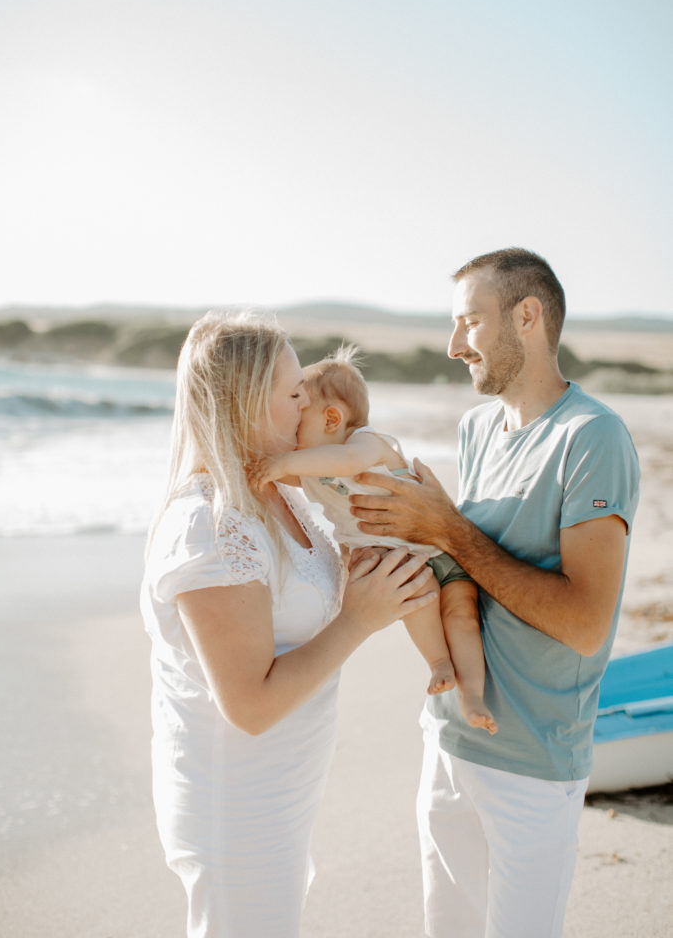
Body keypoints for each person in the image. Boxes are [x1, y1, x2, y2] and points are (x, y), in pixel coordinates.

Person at [348, 248, 640, 938]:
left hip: (533, 766)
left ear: (527, 316)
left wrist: (448, 528)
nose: (453, 346)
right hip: (448, 739)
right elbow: (464, 573)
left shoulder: (591, 437)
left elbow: (583, 624)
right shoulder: (476, 428)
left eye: (468, 323)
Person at [140, 311, 438, 938]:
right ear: (248, 401)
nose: (311, 400)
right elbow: (249, 704)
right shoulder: (211, 524)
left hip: (283, 787)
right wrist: (358, 620)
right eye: (294, 389)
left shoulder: (288, 493)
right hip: (236, 798)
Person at [249, 346, 496, 732]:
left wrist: (282, 462)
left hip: (438, 549)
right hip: (404, 563)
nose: (293, 443)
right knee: (419, 603)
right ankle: (439, 663)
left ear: (332, 419)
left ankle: (474, 696)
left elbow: (345, 465)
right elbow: (283, 473)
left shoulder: (368, 443)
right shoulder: (314, 468)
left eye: (299, 428)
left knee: (462, 616)